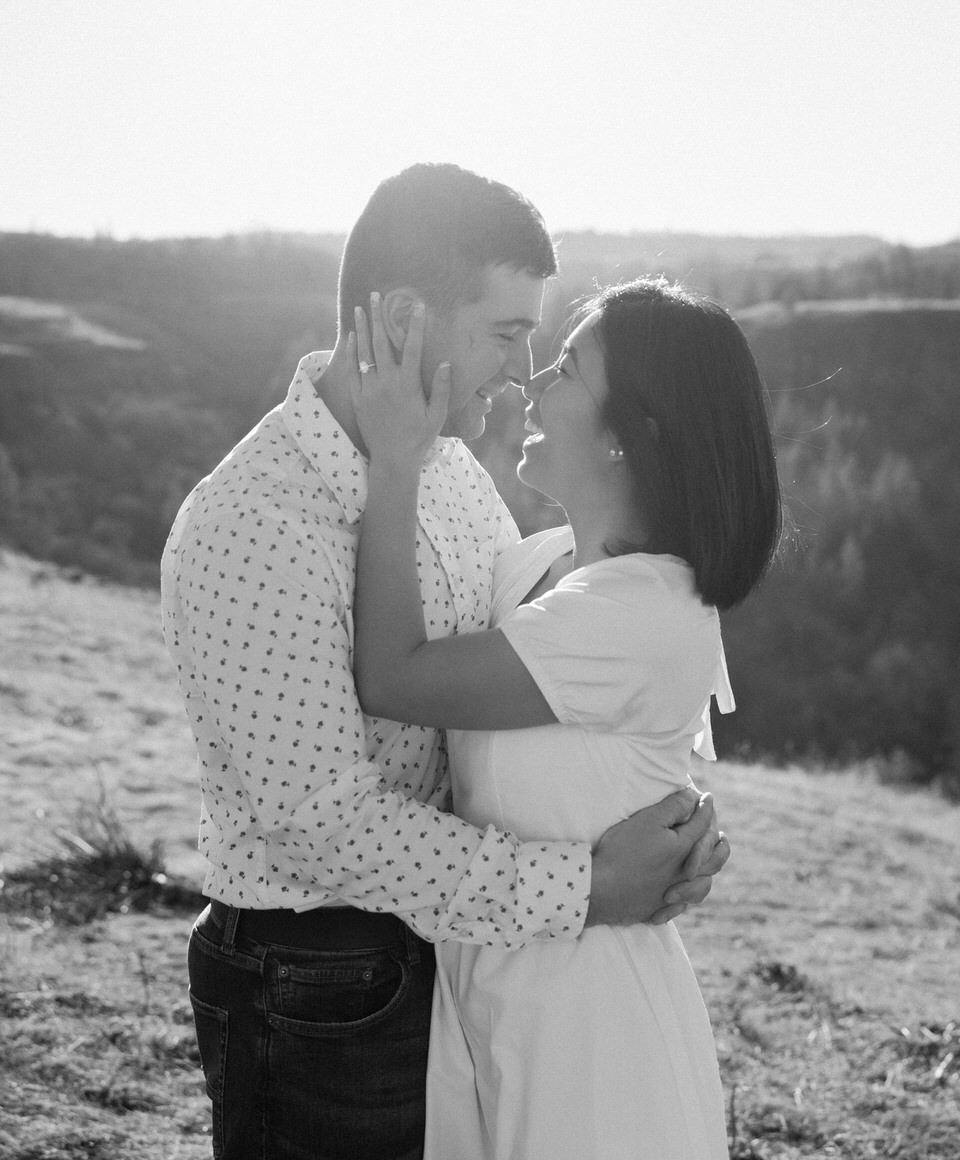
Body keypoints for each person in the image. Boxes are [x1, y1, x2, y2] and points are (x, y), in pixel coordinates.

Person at [161, 163, 730, 1160]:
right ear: (401, 321)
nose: (520, 373)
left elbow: (550, 667)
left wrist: (665, 817)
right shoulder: (249, 524)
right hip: (320, 984)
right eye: (507, 335)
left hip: (463, 957)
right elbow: (324, 823)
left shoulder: (456, 477)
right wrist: (583, 886)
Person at [349, 274, 782, 1159]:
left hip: (594, 1038)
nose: (536, 382)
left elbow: (393, 676)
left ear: (633, 434)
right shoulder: (540, 566)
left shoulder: (644, 609)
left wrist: (396, 460)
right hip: (493, 1001)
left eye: (571, 372)